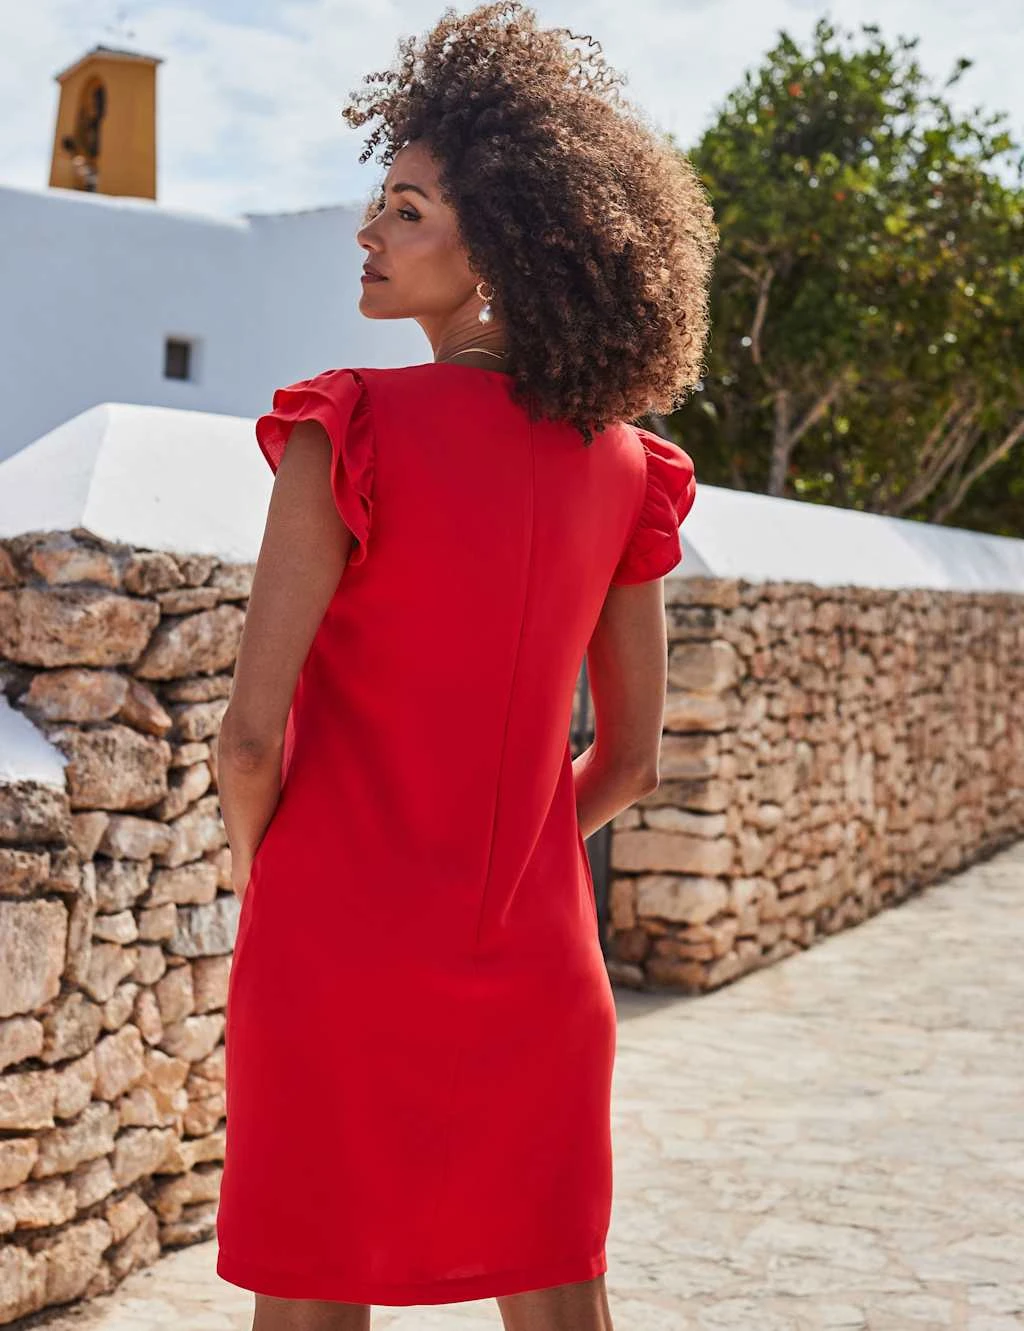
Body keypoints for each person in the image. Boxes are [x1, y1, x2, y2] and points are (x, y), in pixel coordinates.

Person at [214, 3, 716, 1328]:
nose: (368, 233)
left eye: (407, 210)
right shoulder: (630, 467)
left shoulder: (349, 427)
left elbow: (248, 741)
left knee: (312, 1295)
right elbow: (631, 758)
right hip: (537, 958)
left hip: (334, 947)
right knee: (562, 1302)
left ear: (495, 245)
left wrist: (277, 874)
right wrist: (522, 856)